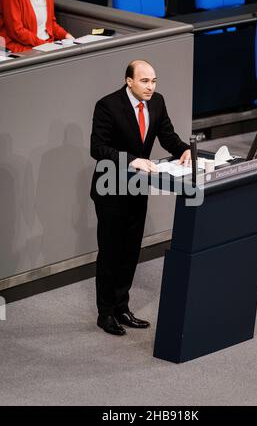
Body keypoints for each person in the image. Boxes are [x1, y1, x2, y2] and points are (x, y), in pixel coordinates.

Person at [90, 59, 191, 336]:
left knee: (130, 251)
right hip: (111, 188)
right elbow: (98, 148)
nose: (151, 86)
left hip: (138, 187)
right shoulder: (107, 105)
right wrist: (133, 160)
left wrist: (183, 149)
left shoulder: (157, 102)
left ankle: (122, 308)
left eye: (154, 81)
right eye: (145, 81)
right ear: (129, 81)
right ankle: (105, 313)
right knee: (111, 252)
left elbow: (167, 135)